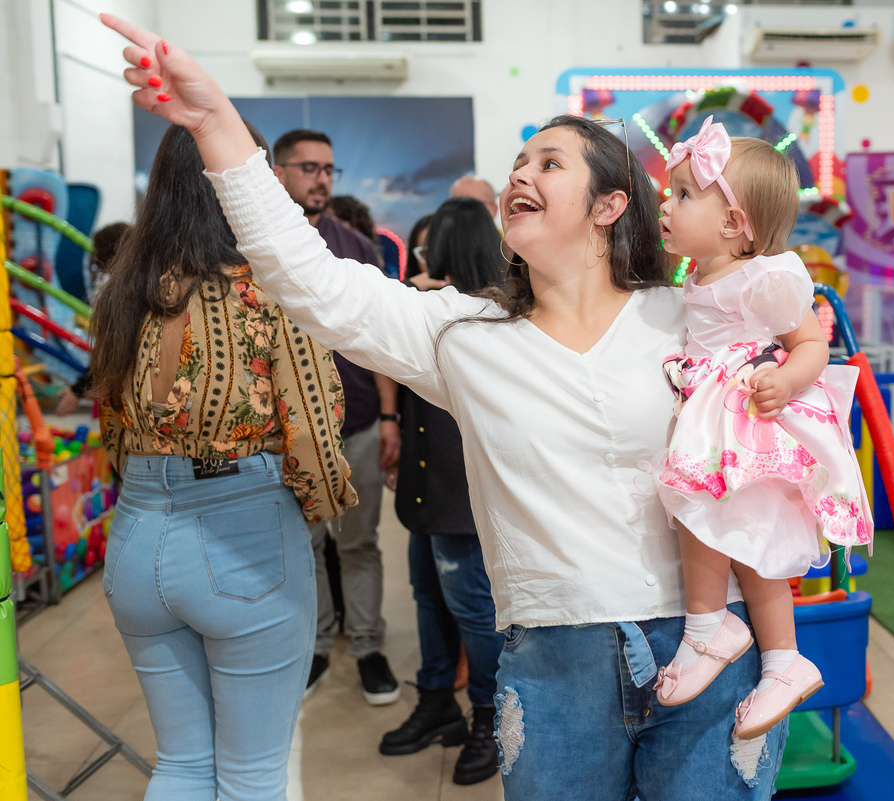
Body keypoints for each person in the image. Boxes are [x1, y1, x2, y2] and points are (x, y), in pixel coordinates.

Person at [104, 17, 791, 798]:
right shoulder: (466, 335)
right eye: (517, 162)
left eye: (549, 161)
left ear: (609, 205)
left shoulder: (688, 315)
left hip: (709, 643)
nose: (519, 176)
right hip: (551, 664)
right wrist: (215, 124)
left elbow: (790, 370)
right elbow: (312, 280)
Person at [90, 121, 357, 801]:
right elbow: (312, 426)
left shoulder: (125, 290)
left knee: (179, 763)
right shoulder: (268, 286)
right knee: (251, 777)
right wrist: (322, 505)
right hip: (243, 535)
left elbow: (112, 430)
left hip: (137, 534)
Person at [651, 117, 871, 739]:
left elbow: (810, 342)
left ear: (731, 224)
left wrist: (788, 380)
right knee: (736, 535)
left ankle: (717, 631)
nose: (668, 204)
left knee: (726, 526)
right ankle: (778, 658)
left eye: (685, 195)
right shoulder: (697, 273)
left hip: (747, 415)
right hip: (713, 413)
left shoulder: (767, 276)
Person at [379, 197, 506, 786]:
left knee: (474, 610)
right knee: (427, 596)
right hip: (426, 481)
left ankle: (488, 716)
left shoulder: (498, 311)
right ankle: (437, 703)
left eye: (435, 247)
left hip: (462, 487)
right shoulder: (431, 301)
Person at [272, 129, 402, 705]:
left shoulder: (355, 245)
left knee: (359, 544)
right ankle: (319, 646)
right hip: (286, 433)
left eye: (329, 168)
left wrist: (392, 416)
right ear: (278, 174)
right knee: (304, 547)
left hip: (360, 422)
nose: (321, 177)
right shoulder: (257, 244)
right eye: (308, 167)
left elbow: (380, 339)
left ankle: (368, 647)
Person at [57, 221, 130, 416]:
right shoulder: (138, 284)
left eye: (97, 253)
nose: (95, 259)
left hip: (126, 394)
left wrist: (76, 392)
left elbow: (111, 352)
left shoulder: (121, 293)